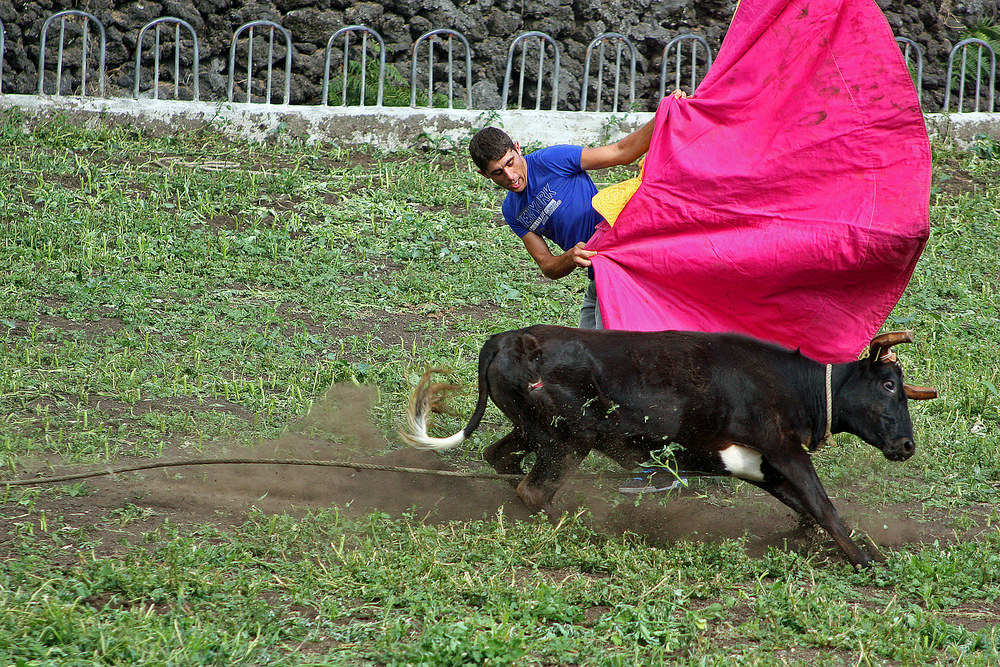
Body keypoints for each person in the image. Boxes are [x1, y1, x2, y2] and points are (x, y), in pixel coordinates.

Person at [469, 90, 688, 493]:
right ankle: (646, 460)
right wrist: (571, 256)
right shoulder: (512, 211)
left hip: (626, 266)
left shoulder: (551, 160)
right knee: (594, 375)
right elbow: (549, 267)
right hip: (598, 280)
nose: (511, 176)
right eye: (498, 174)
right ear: (487, 177)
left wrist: (667, 114)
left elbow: (622, 152)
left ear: (519, 149)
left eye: (510, 163)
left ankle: (662, 466)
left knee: (622, 371)